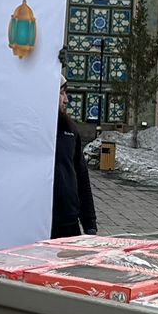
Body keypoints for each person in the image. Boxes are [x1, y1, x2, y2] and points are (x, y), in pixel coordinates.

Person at [52, 82, 98, 237]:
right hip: (38, 224)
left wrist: (89, 223)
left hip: (68, 224)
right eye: (61, 93)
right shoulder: (31, 130)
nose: (66, 100)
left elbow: (81, 177)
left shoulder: (70, 130)